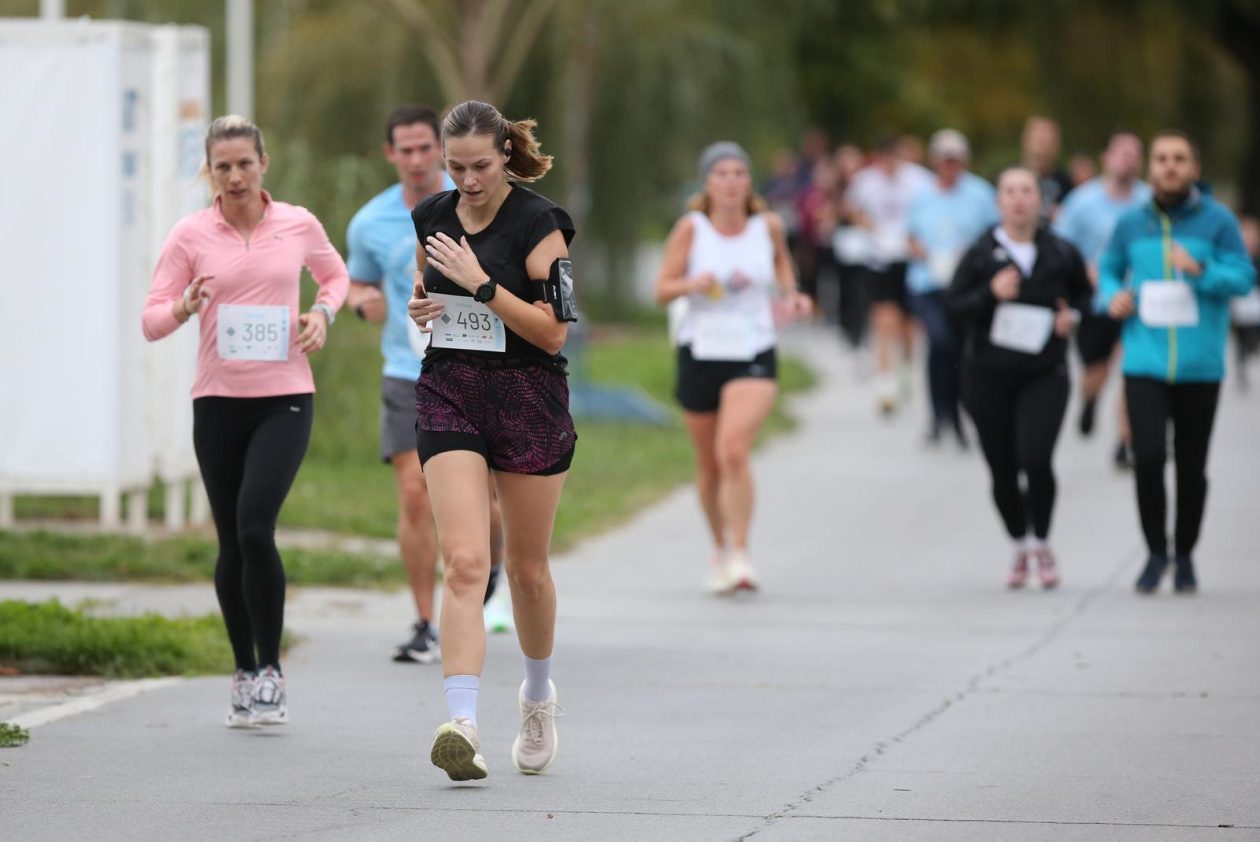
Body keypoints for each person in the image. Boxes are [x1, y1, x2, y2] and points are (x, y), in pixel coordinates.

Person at [141, 115, 349, 726]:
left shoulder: (298, 224)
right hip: (217, 402)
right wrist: (185, 304)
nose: (234, 176)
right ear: (210, 170)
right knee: (231, 540)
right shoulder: (190, 235)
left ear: (264, 163)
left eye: (244, 163)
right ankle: (242, 671)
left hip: (285, 397)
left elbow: (334, 277)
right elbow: (151, 319)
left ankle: (273, 672)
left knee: (257, 527)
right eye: (222, 165)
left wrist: (322, 314)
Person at [406, 100, 575, 781]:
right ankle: (463, 724)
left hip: (529, 399)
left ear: (505, 153)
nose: (467, 181)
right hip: (451, 389)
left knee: (529, 571)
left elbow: (553, 331)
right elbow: (427, 292)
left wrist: (481, 286)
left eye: (480, 166)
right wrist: (425, 303)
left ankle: (537, 698)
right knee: (467, 562)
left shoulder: (540, 225)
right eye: (455, 167)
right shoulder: (431, 218)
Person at [345, 105, 506, 664]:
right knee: (415, 494)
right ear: (390, 155)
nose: (415, 160)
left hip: (480, 371)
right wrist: (361, 300)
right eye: (404, 150)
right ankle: (422, 619)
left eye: (423, 149)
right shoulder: (370, 223)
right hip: (406, 368)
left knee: (487, 501)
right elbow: (357, 282)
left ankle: (487, 569)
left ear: (440, 151)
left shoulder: (478, 204)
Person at [1099, 130, 1256, 594]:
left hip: (1199, 365)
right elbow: (1108, 267)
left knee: (1191, 466)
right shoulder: (1131, 223)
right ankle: (1154, 552)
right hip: (1144, 360)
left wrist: (1201, 271)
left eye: (1179, 159)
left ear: (1195, 168)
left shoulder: (1218, 221)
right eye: (1162, 158)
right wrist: (1113, 297)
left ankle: (1185, 553)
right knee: (1147, 457)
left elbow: (1245, 278)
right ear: (1150, 167)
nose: (1170, 166)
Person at [653, 142, 812, 594]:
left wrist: (791, 293)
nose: (730, 182)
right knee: (709, 465)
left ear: (749, 181)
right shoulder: (691, 229)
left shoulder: (769, 226)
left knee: (734, 450)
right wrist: (690, 283)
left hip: (753, 349)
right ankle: (719, 547)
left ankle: (740, 554)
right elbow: (661, 289)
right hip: (701, 350)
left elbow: (782, 266)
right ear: (707, 182)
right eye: (721, 173)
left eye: (739, 173)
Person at [947, 168, 1092, 588]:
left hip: (1044, 371)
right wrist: (989, 294)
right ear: (998, 202)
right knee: (1003, 469)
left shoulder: (1060, 251)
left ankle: (1042, 540)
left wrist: (1073, 317)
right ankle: (1019, 543)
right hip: (987, 374)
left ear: (1039, 200)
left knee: (1036, 458)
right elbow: (952, 308)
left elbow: (1084, 293)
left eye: (1026, 191)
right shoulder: (979, 254)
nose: (1019, 199)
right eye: (1009, 191)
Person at [1054, 132, 1152, 469]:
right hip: (1096, 301)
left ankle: (1125, 441)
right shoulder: (1083, 201)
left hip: (1138, 302)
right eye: (1121, 153)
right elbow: (1061, 248)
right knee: (1097, 369)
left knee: (1131, 369)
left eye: (1134, 154)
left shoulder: (1149, 201)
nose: (1127, 160)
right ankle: (1090, 401)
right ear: (1106, 157)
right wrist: (1085, 273)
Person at [906, 129, 998, 447]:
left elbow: (992, 234)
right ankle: (939, 413)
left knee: (958, 348)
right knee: (940, 342)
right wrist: (918, 248)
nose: (950, 167)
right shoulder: (921, 195)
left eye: (955, 161)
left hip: (964, 282)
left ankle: (957, 414)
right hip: (928, 281)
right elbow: (909, 235)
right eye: (944, 161)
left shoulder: (980, 193)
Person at [846, 133, 933, 413]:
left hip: (909, 260)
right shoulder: (865, 180)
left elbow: (931, 211)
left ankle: (905, 373)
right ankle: (885, 387)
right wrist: (869, 226)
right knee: (884, 323)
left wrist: (916, 237)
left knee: (908, 327)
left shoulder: (919, 180)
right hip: (879, 258)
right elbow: (852, 209)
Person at [1021, 116, 1074, 219]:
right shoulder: (1008, 179)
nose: (1042, 145)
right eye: (1038, 139)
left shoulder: (1067, 182)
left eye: (1048, 139)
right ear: (1025, 140)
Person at [1230, 216, 1260, 390]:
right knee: (1240, 336)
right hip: (1240, 299)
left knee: (1253, 331)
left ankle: (1250, 349)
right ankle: (1241, 367)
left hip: (1255, 299)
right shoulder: (1237, 254)